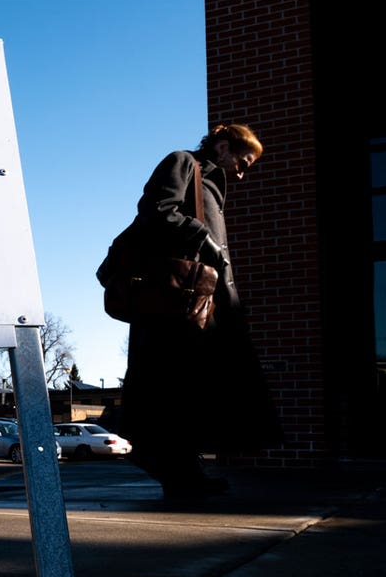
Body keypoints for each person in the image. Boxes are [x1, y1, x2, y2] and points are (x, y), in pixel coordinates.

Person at [118, 124, 282, 498]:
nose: (242, 172)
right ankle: (170, 466)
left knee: (190, 391)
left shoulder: (212, 188)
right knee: (170, 387)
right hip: (175, 304)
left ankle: (185, 473)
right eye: (241, 162)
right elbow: (157, 211)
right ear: (222, 147)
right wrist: (203, 238)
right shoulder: (183, 164)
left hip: (204, 306)